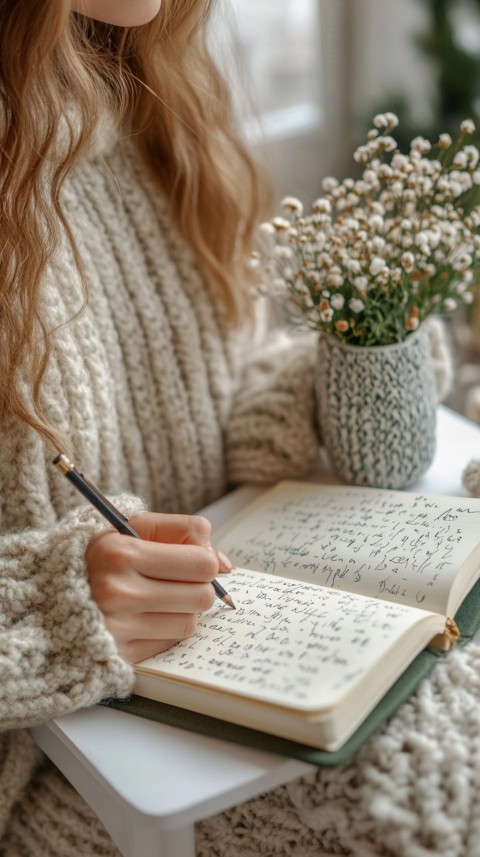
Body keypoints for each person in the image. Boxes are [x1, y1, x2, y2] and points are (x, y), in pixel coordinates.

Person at [0, 1, 464, 856]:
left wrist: (336, 374)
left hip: (214, 684)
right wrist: (50, 607)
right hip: (61, 774)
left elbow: (211, 388)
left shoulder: (149, 93)